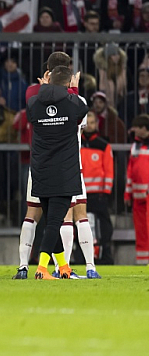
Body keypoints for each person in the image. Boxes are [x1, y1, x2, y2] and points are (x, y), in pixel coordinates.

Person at [14, 52, 73, 278]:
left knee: (36, 216)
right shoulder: (71, 98)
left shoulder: (32, 93)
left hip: (37, 163)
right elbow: (77, 111)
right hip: (64, 165)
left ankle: (27, 266)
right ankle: (46, 267)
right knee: (63, 218)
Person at [26, 66, 88, 280]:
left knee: (51, 220)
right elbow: (81, 110)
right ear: (69, 81)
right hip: (64, 173)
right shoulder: (73, 103)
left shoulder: (33, 103)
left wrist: (45, 90)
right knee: (54, 223)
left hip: (41, 172)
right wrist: (73, 89)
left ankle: (64, 267)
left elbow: (34, 109)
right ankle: (42, 268)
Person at [81, 111, 114, 266]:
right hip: (79, 193)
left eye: (92, 122)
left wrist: (106, 192)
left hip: (98, 194)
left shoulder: (103, 145)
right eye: (87, 122)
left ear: (97, 124)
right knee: (79, 226)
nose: (89, 125)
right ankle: (80, 258)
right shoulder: (75, 143)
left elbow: (109, 170)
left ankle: (104, 257)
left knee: (103, 228)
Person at [126, 114, 149, 264]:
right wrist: (128, 194)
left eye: (138, 128)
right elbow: (130, 171)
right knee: (141, 232)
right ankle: (142, 262)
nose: (135, 130)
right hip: (137, 196)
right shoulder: (135, 146)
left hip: (147, 194)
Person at [93, 43, 127, 109]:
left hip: (121, 103)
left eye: (118, 54)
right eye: (114, 55)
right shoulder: (100, 72)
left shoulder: (123, 70)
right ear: (108, 57)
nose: (117, 57)